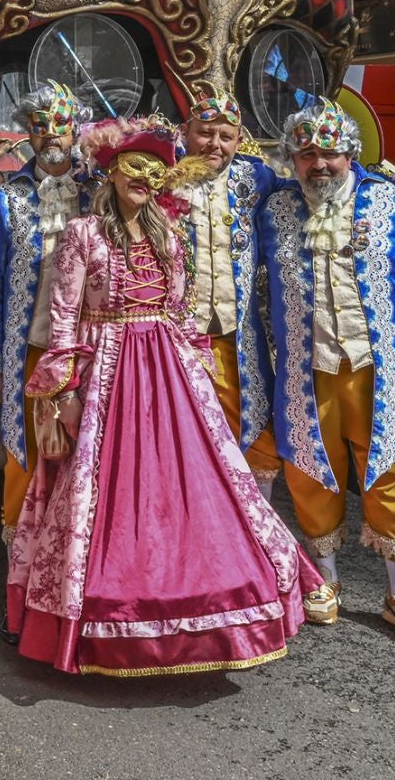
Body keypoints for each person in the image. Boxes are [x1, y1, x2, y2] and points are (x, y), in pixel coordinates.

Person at [7, 116, 322, 677]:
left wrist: (195, 372)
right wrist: (64, 388)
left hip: (168, 370)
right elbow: (64, 315)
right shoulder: (83, 233)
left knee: (195, 484)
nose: (145, 179)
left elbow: (178, 310)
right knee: (100, 489)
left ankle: (202, 605)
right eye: (135, 167)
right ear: (111, 171)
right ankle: (101, 615)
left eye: (156, 171)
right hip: (106, 368)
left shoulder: (168, 233)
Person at [255, 98, 395, 645]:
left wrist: (392, 296)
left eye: (330, 153)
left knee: (389, 470)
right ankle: (325, 581)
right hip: (305, 368)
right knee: (309, 470)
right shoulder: (273, 210)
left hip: (378, 371)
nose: (319, 164)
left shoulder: (388, 201)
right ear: (291, 159)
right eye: (307, 154)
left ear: (351, 153)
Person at [0, 81, 92, 545]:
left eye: (60, 126)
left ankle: (71, 567)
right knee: (22, 456)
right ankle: (17, 571)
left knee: (84, 456)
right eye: (40, 127)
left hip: (87, 351)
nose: (51, 137)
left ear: (76, 131)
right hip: (27, 349)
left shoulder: (98, 194)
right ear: (28, 133)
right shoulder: (7, 200)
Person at [178, 81, 282, 487]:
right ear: (186, 132)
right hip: (178, 338)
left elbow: (307, 191)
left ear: (240, 140)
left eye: (226, 136)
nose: (214, 144)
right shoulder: (162, 177)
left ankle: (256, 530)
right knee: (183, 432)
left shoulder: (256, 179)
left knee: (256, 434)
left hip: (237, 336)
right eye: (205, 132)